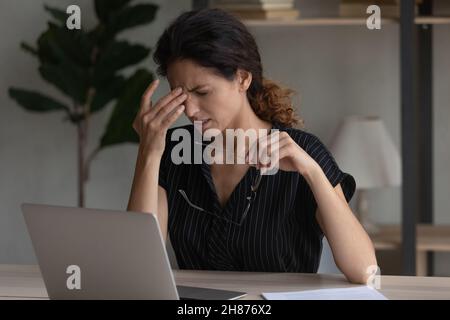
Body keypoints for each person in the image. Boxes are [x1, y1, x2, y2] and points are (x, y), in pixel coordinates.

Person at [127, 8, 377, 284]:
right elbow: (137, 265)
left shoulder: (303, 150)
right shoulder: (174, 150)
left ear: (243, 78)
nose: (191, 109)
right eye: (179, 95)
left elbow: (363, 270)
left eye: (202, 92)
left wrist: (313, 173)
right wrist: (148, 151)